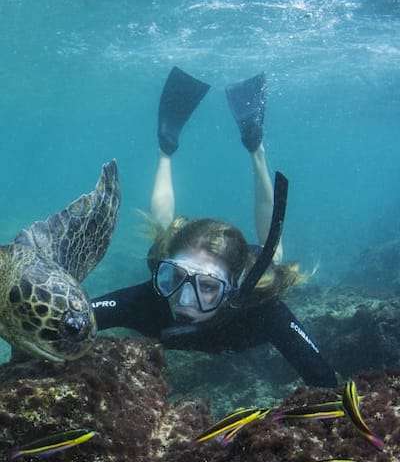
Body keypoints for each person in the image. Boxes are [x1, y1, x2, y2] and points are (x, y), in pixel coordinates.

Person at [92, 67, 337, 388]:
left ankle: (256, 148)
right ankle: (165, 148)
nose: (183, 300)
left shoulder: (260, 312)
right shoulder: (150, 298)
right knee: (163, 233)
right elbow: (76, 316)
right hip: (177, 251)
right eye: (176, 278)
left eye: (207, 287)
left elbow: (323, 379)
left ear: (233, 289)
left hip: (248, 269)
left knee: (271, 255)